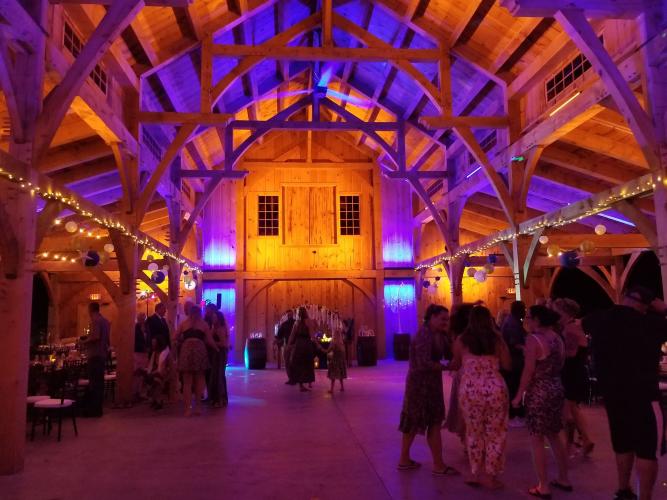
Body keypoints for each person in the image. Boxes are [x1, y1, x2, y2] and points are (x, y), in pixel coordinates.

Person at [582, 286, 667, 500]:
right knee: (646, 450)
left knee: (623, 443)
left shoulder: (601, 318)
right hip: (644, 394)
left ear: (624, 297)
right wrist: (664, 309)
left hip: (613, 393)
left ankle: (623, 489)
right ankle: (644, 496)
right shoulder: (653, 323)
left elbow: (575, 327)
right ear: (647, 304)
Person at [512, 305, 570, 498]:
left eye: (528, 317)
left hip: (539, 391)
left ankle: (543, 485)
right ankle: (564, 478)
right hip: (556, 387)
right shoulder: (557, 338)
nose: (526, 320)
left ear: (536, 320)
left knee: (537, 439)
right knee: (555, 435)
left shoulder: (533, 339)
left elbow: (528, 371)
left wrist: (519, 394)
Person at [455, 306, 511, 489]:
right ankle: (491, 476)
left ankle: (475, 473)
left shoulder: (461, 340)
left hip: (470, 391)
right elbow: (507, 365)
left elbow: (455, 363)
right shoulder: (497, 339)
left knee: (473, 431)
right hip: (494, 389)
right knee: (496, 433)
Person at [398, 304, 457, 476]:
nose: (445, 322)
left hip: (428, 384)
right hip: (421, 386)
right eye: (442, 319)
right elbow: (423, 363)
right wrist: (445, 367)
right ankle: (438, 465)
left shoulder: (437, 334)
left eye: (447, 319)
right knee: (429, 422)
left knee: (417, 421)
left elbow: (449, 351)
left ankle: (405, 460)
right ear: (431, 317)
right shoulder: (424, 335)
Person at [552, 297, 594, 457]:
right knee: (573, 409)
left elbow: (571, 353)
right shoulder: (571, 326)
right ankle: (583, 440)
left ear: (565, 312)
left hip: (572, 372)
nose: (555, 314)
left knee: (568, 411)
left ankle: (572, 444)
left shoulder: (570, 329)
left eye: (557, 311)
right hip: (574, 372)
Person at [176, 306, 218, 416]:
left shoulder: (184, 323)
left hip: (186, 351)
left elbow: (174, 336)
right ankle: (198, 407)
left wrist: (182, 341)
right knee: (199, 379)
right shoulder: (203, 324)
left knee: (187, 382)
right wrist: (217, 349)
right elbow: (209, 340)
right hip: (199, 350)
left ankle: (187, 409)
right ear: (199, 313)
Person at [444, 303, 474, 447]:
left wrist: (445, 367)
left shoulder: (459, 337)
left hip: (464, 376)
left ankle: (467, 442)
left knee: (463, 411)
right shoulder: (486, 336)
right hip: (484, 378)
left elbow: (456, 361)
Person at [80, 302, 111, 417]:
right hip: (102, 354)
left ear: (90, 309)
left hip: (95, 355)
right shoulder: (106, 321)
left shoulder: (95, 320)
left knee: (94, 383)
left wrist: (83, 341)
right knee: (100, 383)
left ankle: (94, 410)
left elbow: (95, 337)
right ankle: (98, 408)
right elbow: (107, 340)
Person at [501, 300, 527, 427]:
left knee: (513, 387)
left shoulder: (511, 320)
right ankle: (515, 415)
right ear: (519, 310)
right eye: (524, 308)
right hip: (513, 360)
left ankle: (514, 413)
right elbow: (514, 343)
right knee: (514, 387)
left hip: (512, 360)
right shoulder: (513, 323)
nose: (525, 311)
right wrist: (525, 348)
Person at [287, 307, 316, 392]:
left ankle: (301, 385)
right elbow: (312, 335)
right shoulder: (308, 322)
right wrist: (316, 343)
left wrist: (289, 345)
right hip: (307, 344)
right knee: (307, 363)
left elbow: (292, 335)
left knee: (299, 363)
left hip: (299, 344)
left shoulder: (296, 323)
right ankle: (309, 381)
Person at [140, 336, 173, 410]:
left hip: (164, 374)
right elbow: (151, 366)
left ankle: (158, 401)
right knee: (146, 377)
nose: (153, 345)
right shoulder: (154, 353)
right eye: (152, 343)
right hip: (155, 372)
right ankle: (154, 399)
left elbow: (168, 368)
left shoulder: (165, 354)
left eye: (154, 343)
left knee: (156, 380)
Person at [208, 308, 230, 407]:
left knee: (218, 376)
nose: (213, 319)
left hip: (220, 353)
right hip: (218, 353)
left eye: (214, 317)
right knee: (218, 375)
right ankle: (221, 399)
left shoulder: (220, 329)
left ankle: (219, 399)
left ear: (219, 318)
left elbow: (224, 344)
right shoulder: (215, 328)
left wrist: (212, 343)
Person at [133, 312, 149, 402]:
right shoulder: (135, 328)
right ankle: (135, 392)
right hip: (137, 352)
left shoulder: (146, 328)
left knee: (143, 372)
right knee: (136, 372)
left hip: (144, 352)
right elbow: (134, 340)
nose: (142, 320)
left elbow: (148, 338)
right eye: (141, 318)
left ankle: (141, 392)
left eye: (144, 318)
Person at [327, 329, 347, 394]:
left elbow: (328, 351)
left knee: (333, 376)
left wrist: (319, 347)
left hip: (335, 361)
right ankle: (342, 387)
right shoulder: (341, 343)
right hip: (341, 362)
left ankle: (332, 389)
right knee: (340, 375)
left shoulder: (333, 343)